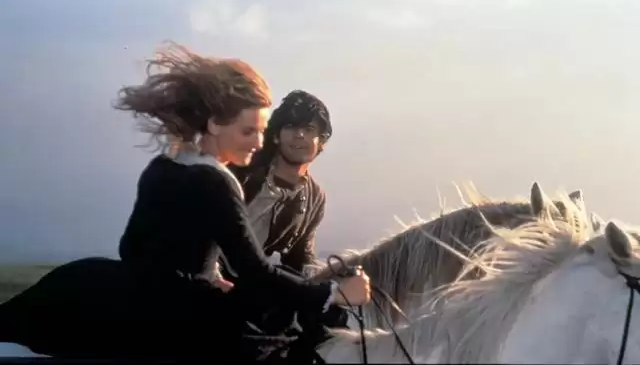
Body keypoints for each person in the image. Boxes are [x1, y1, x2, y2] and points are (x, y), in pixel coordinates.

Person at [0, 42, 371, 361]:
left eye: (260, 131)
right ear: (214, 124)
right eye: (249, 131)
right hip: (181, 317)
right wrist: (333, 292)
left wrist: (205, 273)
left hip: (106, 285)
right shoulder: (216, 181)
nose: (259, 143)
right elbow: (254, 270)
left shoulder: (163, 166)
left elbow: (131, 247)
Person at [221, 90, 350, 329]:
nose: (299, 135)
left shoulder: (314, 197)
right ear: (276, 135)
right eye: (291, 127)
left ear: (321, 141)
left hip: (256, 290)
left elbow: (300, 259)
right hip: (212, 283)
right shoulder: (240, 173)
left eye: (309, 129)